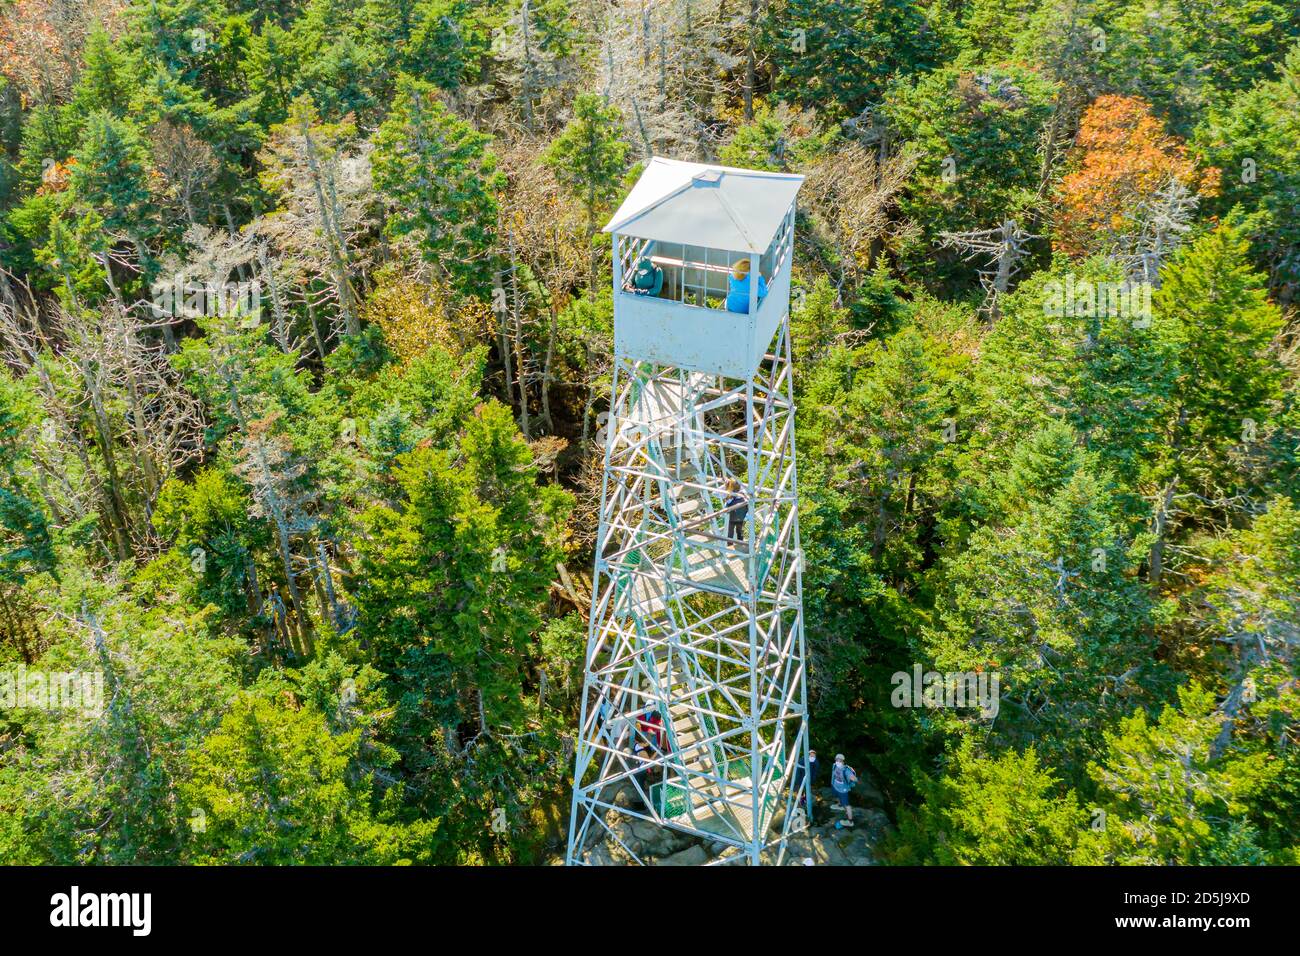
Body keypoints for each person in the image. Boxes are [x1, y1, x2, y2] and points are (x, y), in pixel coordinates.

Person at [830, 753, 859, 827]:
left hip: (843, 790)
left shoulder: (846, 770)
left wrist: (854, 778)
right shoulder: (834, 766)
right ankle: (840, 805)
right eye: (837, 760)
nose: (838, 761)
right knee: (836, 796)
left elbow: (854, 778)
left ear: (843, 761)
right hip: (835, 786)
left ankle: (850, 822)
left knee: (847, 805)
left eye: (840, 760)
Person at [724, 478, 748, 546]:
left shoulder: (730, 498)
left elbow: (726, 507)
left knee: (730, 533)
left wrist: (726, 485)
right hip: (742, 518)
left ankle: (729, 545)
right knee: (740, 533)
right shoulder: (744, 495)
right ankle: (740, 544)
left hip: (732, 518)